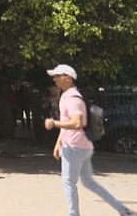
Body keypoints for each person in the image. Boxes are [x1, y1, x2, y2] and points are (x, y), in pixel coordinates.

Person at [44, 64, 134, 216]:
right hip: (82, 146)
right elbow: (68, 122)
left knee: (68, 182)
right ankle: (123, 210)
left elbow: (77, 123)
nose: (55, 79)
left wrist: (54, 123)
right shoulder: (69, 96)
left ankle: (74, 214)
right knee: (88, 182)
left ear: (68, 78)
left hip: (74, 146)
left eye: (58, 76)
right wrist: (58, 142)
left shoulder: (72, 98)